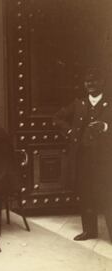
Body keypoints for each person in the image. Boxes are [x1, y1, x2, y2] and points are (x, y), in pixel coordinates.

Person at [54, 67, 112, 242]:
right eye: (87, 82)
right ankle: (89, 231)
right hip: (83, 158)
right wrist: (70, 131)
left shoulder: (109, 102)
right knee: (86, 194)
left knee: (108, 194)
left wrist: (106, 127)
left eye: (94, 81)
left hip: (106, 159)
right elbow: (57, 117)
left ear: (102, 82)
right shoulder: (79, 103)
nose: (91, 85)